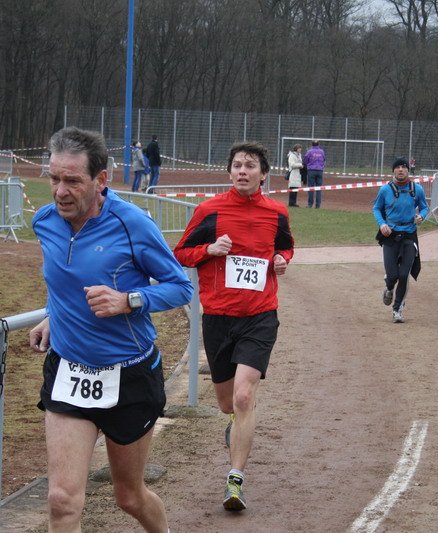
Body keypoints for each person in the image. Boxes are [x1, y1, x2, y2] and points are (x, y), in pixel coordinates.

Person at [28, 126, 192, 533]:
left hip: (129, 376)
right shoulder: (45, 222)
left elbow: (180, 287)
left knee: (129, 496)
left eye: (72, 180)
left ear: (101, 179)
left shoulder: (132, 224)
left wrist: (128, 300)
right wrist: (53, 314)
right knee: (61, 500)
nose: (60, 191)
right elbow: (63, 279)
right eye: (54, 178)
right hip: (69, 371)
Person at [173, 142, 294, 512]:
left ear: (263, 174)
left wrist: (281, 259)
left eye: (251, 166)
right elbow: (180, 253)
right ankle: (237, 421)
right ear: (229, 172)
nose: (243, 171)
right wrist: (209, 250)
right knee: (228, 402)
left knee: (243, 396)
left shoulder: (276, 212)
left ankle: (235, 479)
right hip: (218, 318)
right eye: (238, 165)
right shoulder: (209, 210)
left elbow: (286, 247)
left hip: (260, 315)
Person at [372, 157, 429, 323]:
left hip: (409, 235)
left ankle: (397, 309)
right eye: (397, 167)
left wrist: (421, 216)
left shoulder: (417, 189)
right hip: (390, 236)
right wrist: (382, 224)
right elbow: (376, 208)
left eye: (403, 167)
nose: (400, 170)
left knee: (404, 274)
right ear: (393, 171)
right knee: (393, 275)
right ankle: (389, 287)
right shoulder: (385, 190)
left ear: (408, 171)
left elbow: (424, 207)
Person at [303, 140, 325, 208]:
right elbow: (324, 159)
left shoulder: (309, 151)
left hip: (311, 170)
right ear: (318, 144)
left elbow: (305, 160)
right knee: (319, 188)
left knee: (311, 187)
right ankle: (318, 205)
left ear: (312, 144)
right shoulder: (322, 151)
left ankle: (310, 204)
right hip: (320, 171)